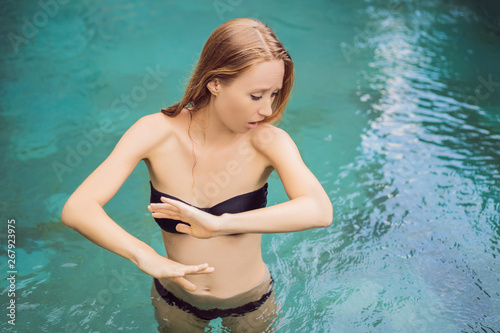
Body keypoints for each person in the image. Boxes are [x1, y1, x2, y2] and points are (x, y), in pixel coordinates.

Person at [61, 17, 333, 332]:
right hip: (175, 300)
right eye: (256, 96)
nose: (267, 110)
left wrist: (219, 224)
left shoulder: (268, 142)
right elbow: (77, 208)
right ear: (215, 83)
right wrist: (144, 255)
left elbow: (319, 210)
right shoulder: (154, 133)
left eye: (274, 94)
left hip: (251, 302)